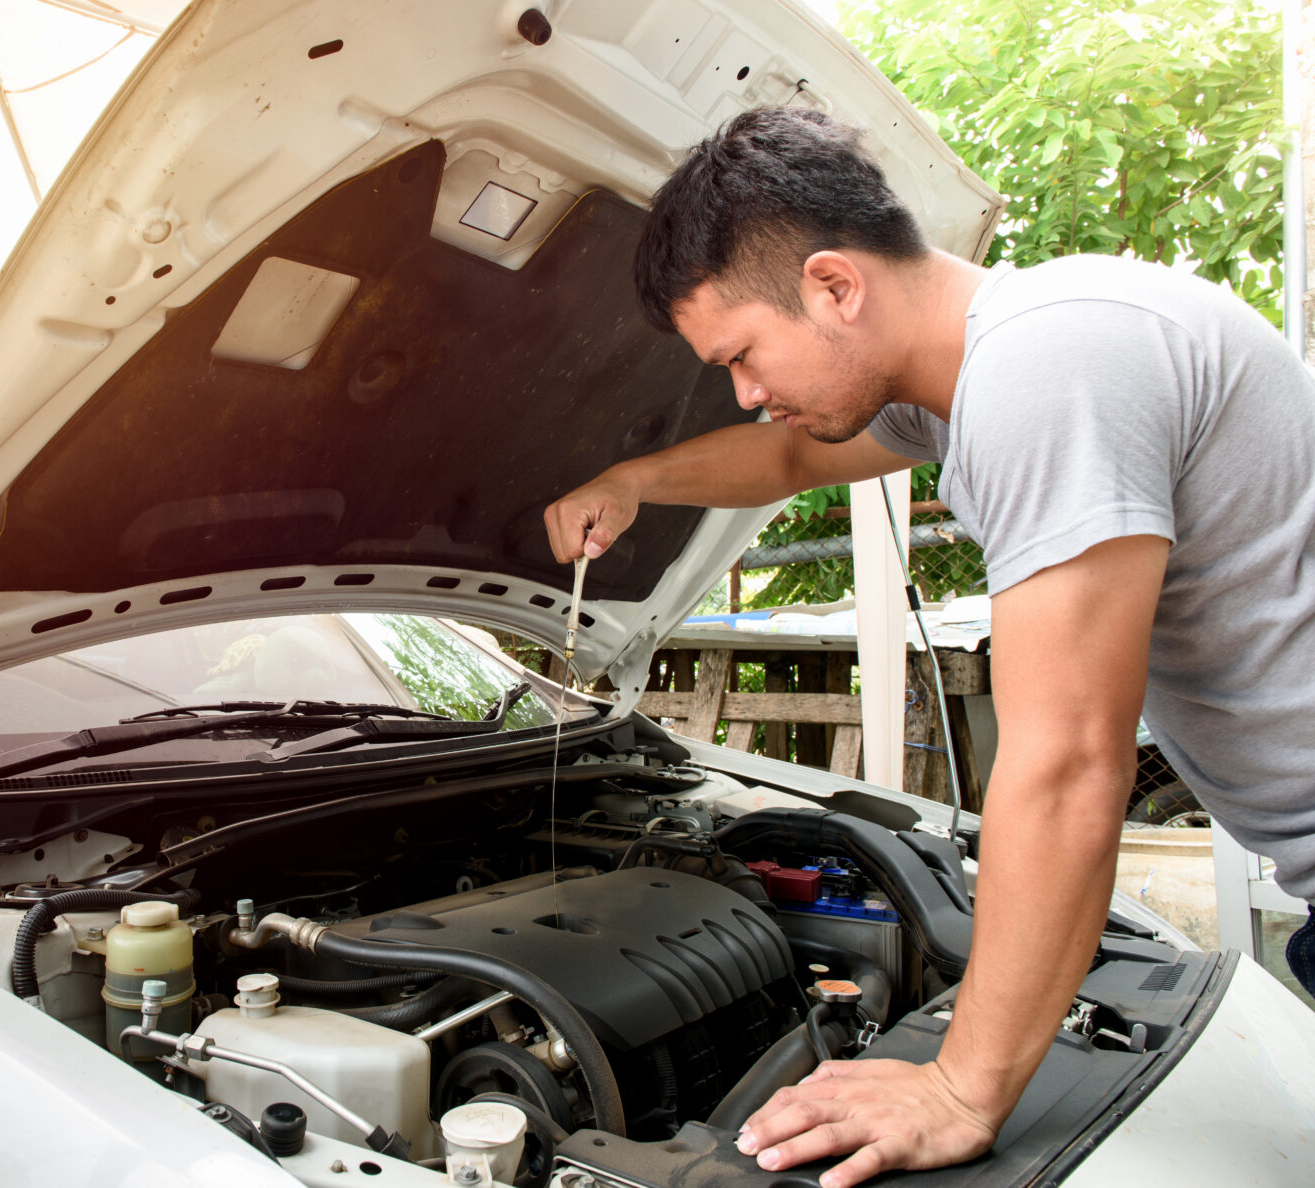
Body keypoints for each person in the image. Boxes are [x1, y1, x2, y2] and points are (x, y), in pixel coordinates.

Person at [542, 106, 1315, 1187]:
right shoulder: (986, 370)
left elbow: (1067, 767)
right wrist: (630, 483)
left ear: (835, 286)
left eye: (744, 354)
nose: (747, 393)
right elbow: (784, 467)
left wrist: (961, 1086)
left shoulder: (1046, 370)